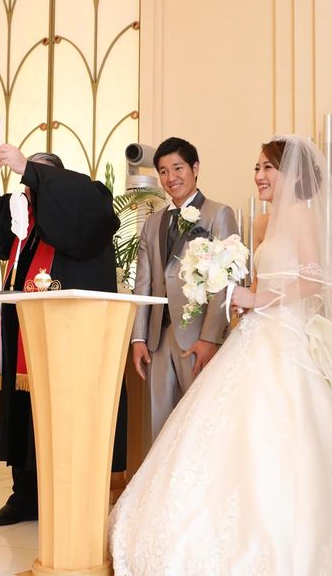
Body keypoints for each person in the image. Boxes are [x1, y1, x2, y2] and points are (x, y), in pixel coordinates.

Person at [109, 135, 332, 574]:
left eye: (268, 168)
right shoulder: (263, 224)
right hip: (254, 334)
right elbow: (258, 282)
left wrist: (257, 298)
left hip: (288, 342)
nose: (259, 176)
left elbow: (314, 281)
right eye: (257, 168)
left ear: (292, 174)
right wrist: (239, 296)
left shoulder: (303, 216)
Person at [0, 144, 120, 526]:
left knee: (62, 418)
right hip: (23, 333)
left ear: (58, 180)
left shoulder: (84, 206)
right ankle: (24, 496)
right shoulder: (22, 221)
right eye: (25, 179)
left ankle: (65, 499)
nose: (27, 185)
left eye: (35, 176)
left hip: (68, 340)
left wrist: (29, 168)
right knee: (22, 415)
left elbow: (81, 207)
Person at [131, 137, 239, 441]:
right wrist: (139, 338)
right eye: (163, 171)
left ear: (195, 168)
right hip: (157, 339)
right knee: (161, 426)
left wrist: (210, 338)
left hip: (196, 337)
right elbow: (144, 282)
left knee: (199, 424)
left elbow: (226, 281)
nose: (171, 178)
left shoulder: (218, 213)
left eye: (178, 168)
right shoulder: (152, 223)